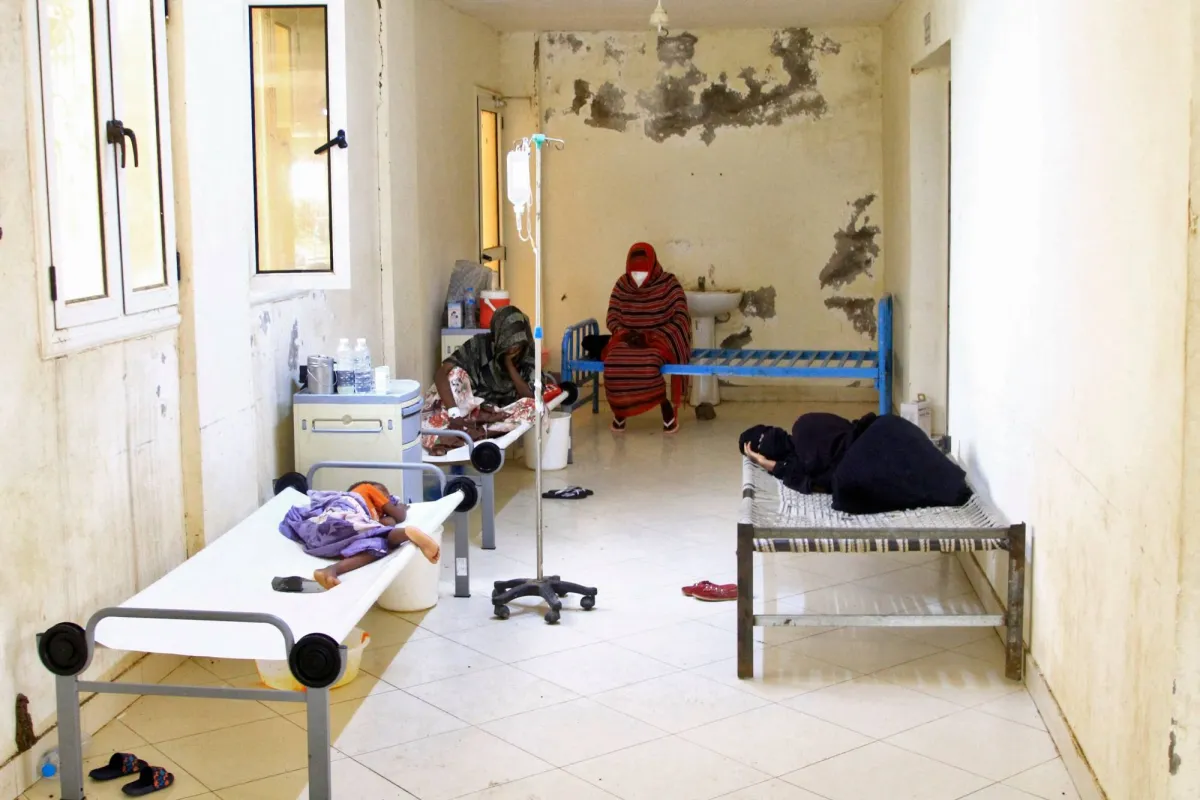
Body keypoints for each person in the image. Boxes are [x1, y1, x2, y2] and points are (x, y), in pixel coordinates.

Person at [421, 305, 558, 452]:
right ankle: (462, 428)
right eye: (508, 344)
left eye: (517, 345)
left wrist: (509, 365)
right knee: (455, 374)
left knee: (536, 408)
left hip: (500, 413)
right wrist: (454, 413)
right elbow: (441, 373)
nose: (513, 349)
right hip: (470, 407)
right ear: (497, 337)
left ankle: (475, 433)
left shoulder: (528, 354)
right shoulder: (480, 345)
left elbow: (530, 396)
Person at [279, 481, 440, 589]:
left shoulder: (367, 518)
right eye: (385, 496)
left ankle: (330, 570)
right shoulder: (365, 489)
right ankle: (406, 533)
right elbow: (399, 517)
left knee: (378, 545)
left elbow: (387, 523)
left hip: (327, 538)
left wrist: (385, 518)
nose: (387, 500)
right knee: (382, 538)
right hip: (341, 515)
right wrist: (402, 508)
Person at [602, 242, 691, 433]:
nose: (638, 277)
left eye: (643, 273)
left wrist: (653, 335)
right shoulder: (622, 285)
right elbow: (612, 316)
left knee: (648, 364)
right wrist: (623, 333)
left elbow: (681, 316)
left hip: (658, 339)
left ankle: (665, 408)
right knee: (613, 362)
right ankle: (620, 411)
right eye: (634, 273)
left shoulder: (668, 284)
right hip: (628, 339)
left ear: (653, 267)